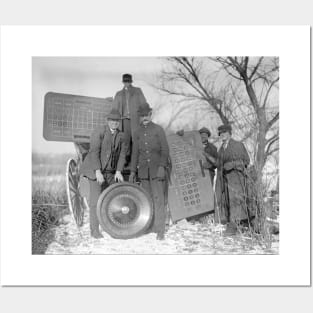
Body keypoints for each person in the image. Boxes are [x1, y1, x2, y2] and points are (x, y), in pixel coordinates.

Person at [79, 108, 126, 238]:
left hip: (109, 171)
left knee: (111, 198)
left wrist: (118, 171)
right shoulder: (99, 131)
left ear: (119, 122)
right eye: (112, 120)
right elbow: (94, 152)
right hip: (94, 170)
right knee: (95, 201)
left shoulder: (121, 136)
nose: (114, 123)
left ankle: (112, 228)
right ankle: (94, 231)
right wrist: (98, 171)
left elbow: (122, 154)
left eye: (116, 121)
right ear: (107, 120)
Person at [129, 103, 169, 240]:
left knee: (158, 199)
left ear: (150, 115)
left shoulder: (158, 130)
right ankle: (149, 226)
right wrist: (133, 171)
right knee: (147, 200)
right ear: (140, 117)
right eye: (142, 116)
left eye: (147, 115)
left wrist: (162, 167)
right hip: (144, 172)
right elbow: (135, 153)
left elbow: (165, 150)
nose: (144, 117)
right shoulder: (137, 132)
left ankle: (160, 229)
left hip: (156, 171)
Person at [215, 124, 251, 236]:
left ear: (230, 133)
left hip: (237, 178)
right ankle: (235, 224)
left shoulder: (238, 145)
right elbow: (219, 164)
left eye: (225, 132)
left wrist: (232, 164)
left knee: (236, 201)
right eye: (220, 133)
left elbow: (246, 161)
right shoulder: (221, 149)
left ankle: (234, 226)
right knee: (228, 202)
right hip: (225, 179)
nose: (222, 135)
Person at [112, 73, 147, 162]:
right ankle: (126, 160)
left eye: (128, 81)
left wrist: (145, 116)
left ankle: (138, 160)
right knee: (125, 141)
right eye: (125, 82)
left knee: (136, 140)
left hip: (135, 120)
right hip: (124, 121)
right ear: (123, 82)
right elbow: (114, 108)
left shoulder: (137, 91)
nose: (127, 83)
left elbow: (144, 104)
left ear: (131, 82)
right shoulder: (118, 94)